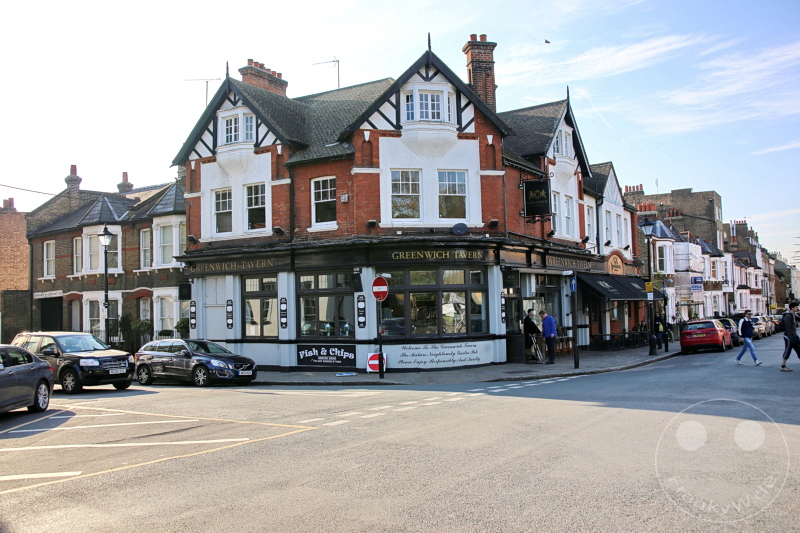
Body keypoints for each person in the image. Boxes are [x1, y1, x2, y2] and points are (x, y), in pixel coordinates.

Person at [779, 301, 800, 372]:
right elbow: (787, 327)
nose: (798, 308)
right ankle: (783, 366)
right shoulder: (788, 316)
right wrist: (790, 336)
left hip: (795, 336)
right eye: (796, 307)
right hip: (789, 337)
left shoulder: (794, 315)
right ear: (792, 308)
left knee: (799, 350)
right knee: (787, 351)